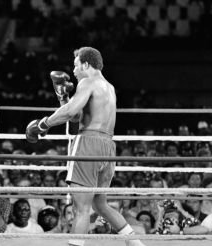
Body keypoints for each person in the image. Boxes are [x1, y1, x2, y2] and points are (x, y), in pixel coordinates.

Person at [25, 47, 146, 246]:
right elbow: (78, 116)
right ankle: (136, 244)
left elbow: (70, 112)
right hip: (108, 147)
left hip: (88, 143)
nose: (73, 71)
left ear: (86, 65)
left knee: (80, 209)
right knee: (100, 205)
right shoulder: (109, 87)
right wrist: (63, 97)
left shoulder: (87, 82)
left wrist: (42, 124)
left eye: (75, 65)